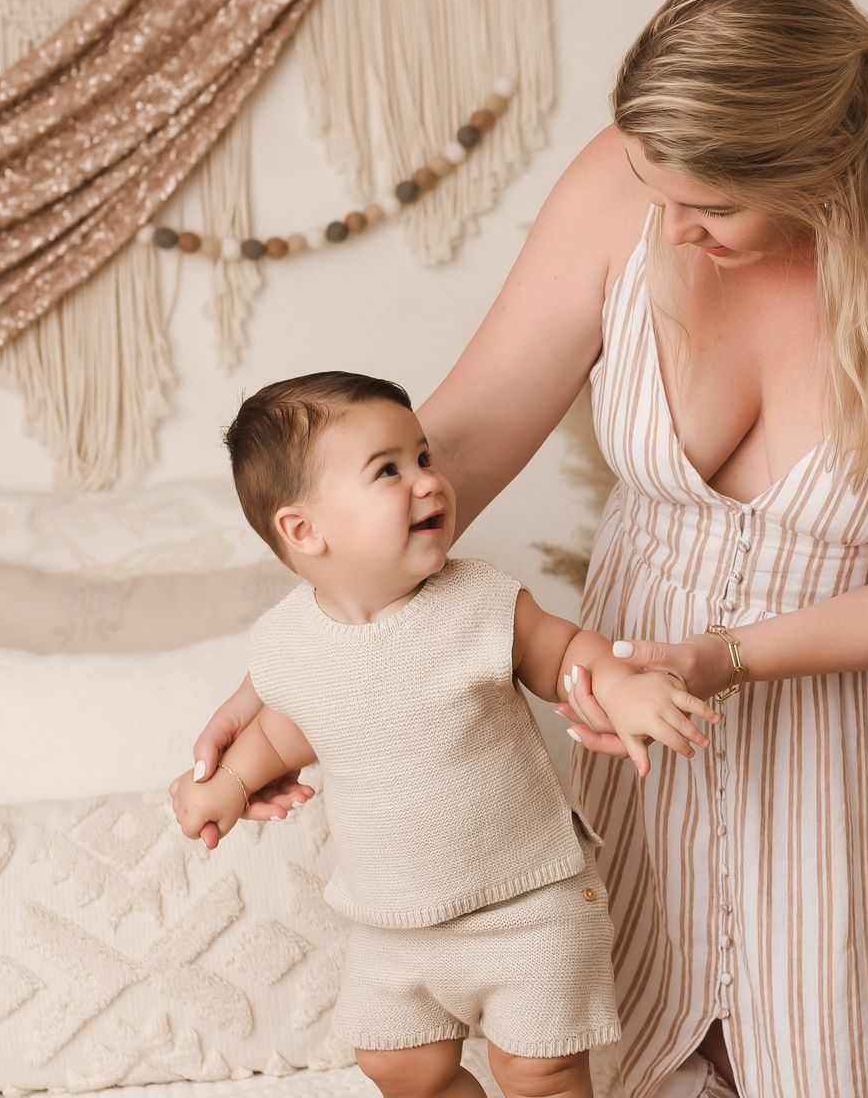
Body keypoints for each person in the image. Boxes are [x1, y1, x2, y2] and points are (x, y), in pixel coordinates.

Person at [190, 0, 868, 1097]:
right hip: (645, 736)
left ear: (821, 166)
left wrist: (739, 653)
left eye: (707, 208)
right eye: (655, 186)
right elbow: (452, 448)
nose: (666, 226)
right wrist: (299, 669)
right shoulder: (625, 182)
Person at [170, 371, 718, 1098]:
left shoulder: (480, 600)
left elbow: (562, 654)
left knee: (541, 1071)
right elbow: (283, 731)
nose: (428, 482)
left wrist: (620, 685)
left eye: (423, 457)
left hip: (529, 904)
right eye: (388, 471)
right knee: (399, 1067)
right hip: (391, 924)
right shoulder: (284, 646)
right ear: (304, 529)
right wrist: (230, 782)